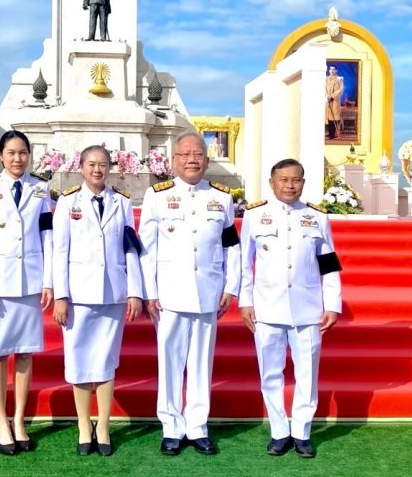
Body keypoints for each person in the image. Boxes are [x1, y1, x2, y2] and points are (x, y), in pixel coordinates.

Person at [139, 131, 240, 456]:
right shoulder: (157, 196)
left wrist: (231, 286)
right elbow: (146, 250)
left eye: (197, 154)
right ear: (174, 161)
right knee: (170, 363)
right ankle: (171, 427)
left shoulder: (222, 197)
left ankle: (197, 427)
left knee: (200, 364)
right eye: (185, 155)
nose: (192, 160)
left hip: (208, 291)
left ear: (206, 160)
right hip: (169, 293)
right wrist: (149, 292)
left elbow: (231, 247)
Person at [238, 158, 342, 459]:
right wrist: (245, 301)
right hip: (267, 307)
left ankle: (302, 432)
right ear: (272, 183)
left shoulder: (316, 217)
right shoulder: (255, 215)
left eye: (296, 180)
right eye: (283, 180)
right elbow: (244, 263)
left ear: (303, 183)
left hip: (307, 308)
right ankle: (279, 431)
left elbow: (329, 264)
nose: (290, 185)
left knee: (307, 373)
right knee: (270, 372)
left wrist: (332, 303)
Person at [52, 145, 144, 456]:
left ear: (110, 168)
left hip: (112, 291)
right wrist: (61, 295)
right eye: (91, 164)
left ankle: (103, 425)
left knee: (106, 359)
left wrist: (134, 290)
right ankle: (83, 425)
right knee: (78, 360)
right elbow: (59, 251)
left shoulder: (122, 202)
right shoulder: (68, 202)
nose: (97, 170)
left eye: (103, 164)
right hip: (78, 294)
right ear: (81, 167)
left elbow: (131, 248)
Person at [0, 130, 54, 455]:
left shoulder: (41, 188)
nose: (17, 159)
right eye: (11, 153)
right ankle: (1, 420)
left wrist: (49, 281)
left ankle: (19, 419)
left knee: (24, 352)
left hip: (30, 282)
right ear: (0, 156)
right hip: (0, 284)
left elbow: (48, 235)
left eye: (22, 153)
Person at [325, 66, 343, 140]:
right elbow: (323, 88)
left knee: (334, 117)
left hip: (335, 100)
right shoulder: (326, 79)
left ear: (336, 70)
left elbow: (341, 89)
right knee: (328, 117)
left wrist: (332, 96)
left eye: (333, 69)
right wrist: (327, 95)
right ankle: (330, 133)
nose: (332, 71)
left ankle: (333, 134)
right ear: (329, 70)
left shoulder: (339, 79)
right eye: (330, 69)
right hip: (327, 100)